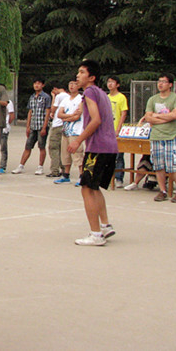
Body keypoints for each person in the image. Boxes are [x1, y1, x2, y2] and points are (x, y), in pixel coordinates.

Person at [67, 60, 117, 246]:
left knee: (86, 188)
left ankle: (96, 234)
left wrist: (78, 140)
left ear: (92, 77)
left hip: (98, 147)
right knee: (94, 187)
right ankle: (105, 225)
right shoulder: (101, 93)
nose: (78, 75)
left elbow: (96, 120)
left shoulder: (89, 92)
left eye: (82, 72)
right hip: (109, 146)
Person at [145, 73, 176, 203]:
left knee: (172, 164)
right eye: (159, 81)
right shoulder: (152, 99)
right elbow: (148, 117)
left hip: (170, 136)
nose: (160, 84)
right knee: (158, 165)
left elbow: (174, 115)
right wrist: (163, 118)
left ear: (170, 84)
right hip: (156, 136)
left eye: (163, 81)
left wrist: (156, 116)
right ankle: (162, 190)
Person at [11, 77, 51, 175]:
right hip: (33, 126)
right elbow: (30, 112)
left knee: (41, 146)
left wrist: (44, 127)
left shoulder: (46, 97)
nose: (36, 85)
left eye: (39, 83)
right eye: (35, 83)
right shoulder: (32, 97)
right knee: (28, 146)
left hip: (41, 125)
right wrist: (27, 126)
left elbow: (48, 112)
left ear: (43, 85)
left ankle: (40, 167)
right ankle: (21, 165)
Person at [55, 79, 84, 185]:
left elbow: (77, 116)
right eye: (70, 84)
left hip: (76, 131)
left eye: (74, 84)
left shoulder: (81, 99)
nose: (72, 86)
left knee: (77, 154)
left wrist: (66, 117)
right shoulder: (65, 99)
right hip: (65, 131)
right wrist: (70, 115)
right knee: (65, 154)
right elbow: (59, 114)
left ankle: (82, 176)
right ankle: (66, 175)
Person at [107, 75, 128, 188]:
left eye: (112, 82)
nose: (110, 84)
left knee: (118, 155)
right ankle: (108, 177)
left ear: (117, 85)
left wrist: (118, 129)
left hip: (116, 129)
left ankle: (119, 178)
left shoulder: (121, 97)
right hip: (106, 131)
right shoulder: (106, 97)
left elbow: (123, 114)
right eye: (108, 82)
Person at [48, 81, 69, 178]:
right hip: (65, 125)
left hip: (57, 125)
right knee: (62, 148)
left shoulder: (59, 96)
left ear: (55, 89)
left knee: (53, 147)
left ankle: (54, 170)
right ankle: (64, 169)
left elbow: (53, 109)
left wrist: (53, 97)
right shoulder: (69, 96)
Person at [0, 97, 15, 174]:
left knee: (3, 147)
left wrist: (7, 123)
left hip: (4, 128)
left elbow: (12, 115)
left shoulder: (8, 102)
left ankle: (2, 166)